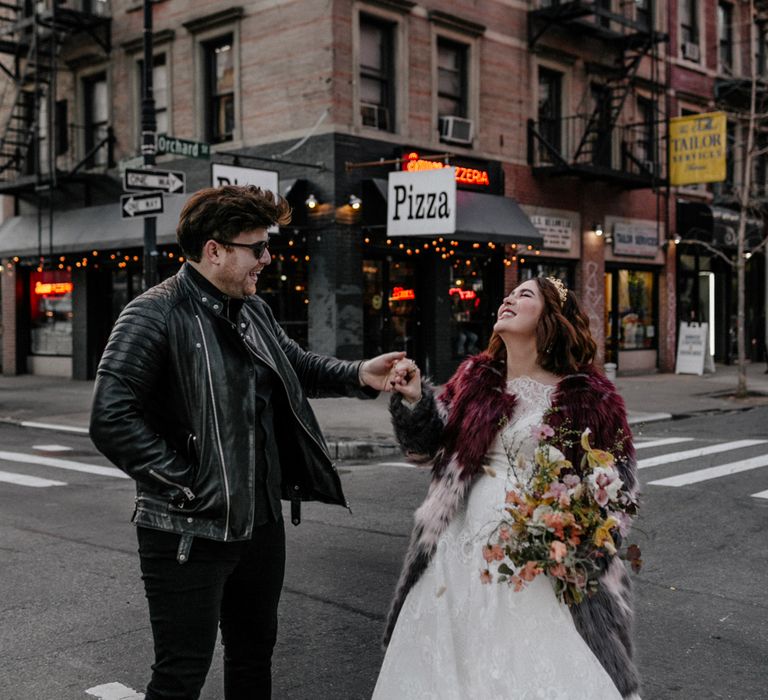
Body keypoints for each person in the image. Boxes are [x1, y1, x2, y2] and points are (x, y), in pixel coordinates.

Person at [89, 185, 403, 700]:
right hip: (189, 530)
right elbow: (110, 418)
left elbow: (297, 366)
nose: (268, 258)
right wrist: (189, 487)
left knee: (253, 657)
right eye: (257, 247)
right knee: (180, 675)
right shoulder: (153, 314)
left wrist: (362, 374)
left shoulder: (252, 308)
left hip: (260, 523)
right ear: (215, 250)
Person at [374, 277, 641, 699]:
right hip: (457, 547)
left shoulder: (589, 397)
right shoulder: (474, 379)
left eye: (525, 294)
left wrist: (571, 529)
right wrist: (413, 400)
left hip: (538, 560)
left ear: (551, 317)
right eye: (510, 293)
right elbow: (425, 449)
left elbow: (618, 487)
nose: (509, 299)